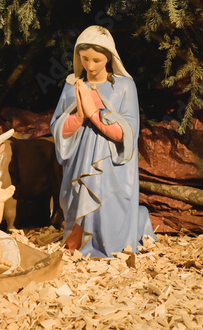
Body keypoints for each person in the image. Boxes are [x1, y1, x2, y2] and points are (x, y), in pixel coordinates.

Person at [49, 25, 156, 258]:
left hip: (112, 165)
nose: (90, 66)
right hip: (79, 162)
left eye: (97, 59)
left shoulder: (125, 86)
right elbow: (57, 128)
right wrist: (78, 116)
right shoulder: (71, 86)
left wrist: (95, 114)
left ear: (109, 57)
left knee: (108, 204)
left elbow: (127, 133)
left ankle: (110, 244)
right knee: (79, 198)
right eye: (84, 58)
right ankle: (79, 242)